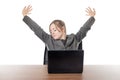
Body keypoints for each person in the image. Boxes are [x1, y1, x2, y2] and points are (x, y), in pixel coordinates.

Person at [22, 5, 96, 50]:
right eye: (51, 31)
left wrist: (92, 18)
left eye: (54, 30)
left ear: (63, 28)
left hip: (72, 72)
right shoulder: (48, 39)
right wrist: (25, 17)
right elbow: (37, 29)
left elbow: (84, 29)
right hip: (54, 73)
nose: (52, 32)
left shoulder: (74, 39)